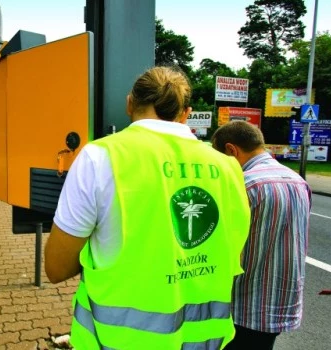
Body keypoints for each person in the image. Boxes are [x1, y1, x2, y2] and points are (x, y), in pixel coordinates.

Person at [44, 66, 252, 349]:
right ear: (186, 113)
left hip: (118, 341)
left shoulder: (99, 157)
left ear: (130, 103)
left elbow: (56, 267)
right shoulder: (228, 167)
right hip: (204, 342)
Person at [211, 121, 312, 349]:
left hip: (243, 305)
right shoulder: (298, 182)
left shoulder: (242, 185)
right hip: (281, 301)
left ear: (231, 150)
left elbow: (223, 247)